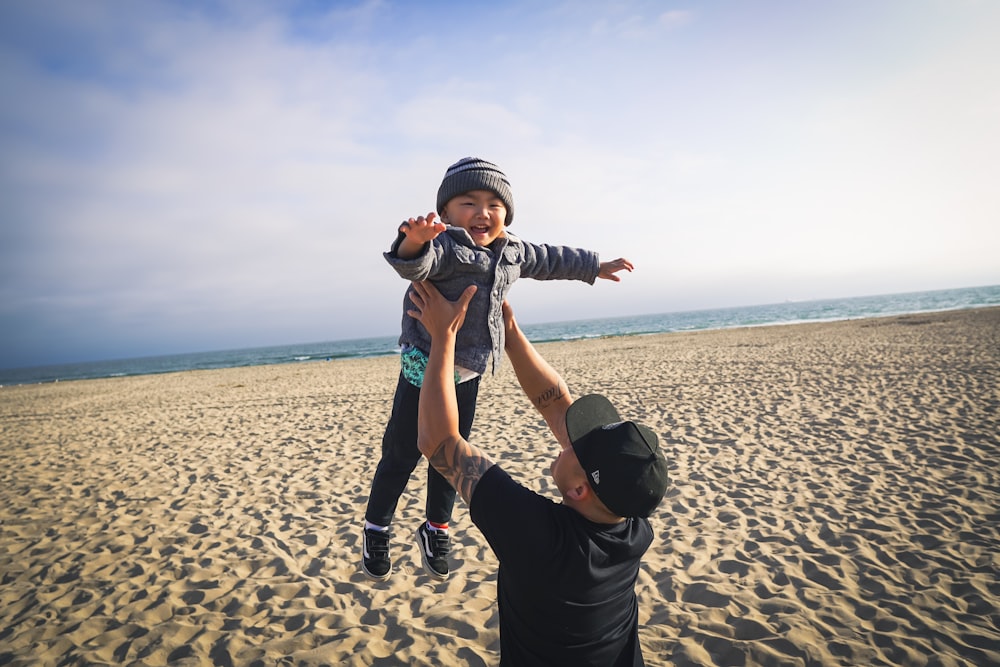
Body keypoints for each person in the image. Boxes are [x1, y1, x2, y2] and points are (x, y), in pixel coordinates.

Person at [363, 157, 634, 580]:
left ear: (507, 213)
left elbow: (549, 259)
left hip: (468, 369)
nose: (482, 212)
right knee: (401, 454)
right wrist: (413, 241)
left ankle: (436, 527)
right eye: (467, 203)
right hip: (424, 364)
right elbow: (412, 264)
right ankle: (376, 526)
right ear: (447, 214)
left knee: (449, 455)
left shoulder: (512, 250)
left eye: (493, 204)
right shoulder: (447, 247)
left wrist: (592, 267)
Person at [408, 279, 668, 666]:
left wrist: (443, 336)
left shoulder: (538, 536)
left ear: (580, 489)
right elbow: (557, 405)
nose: (568, 436)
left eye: (577, 445)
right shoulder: (631, 526)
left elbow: (437, 441)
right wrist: (509, 332)